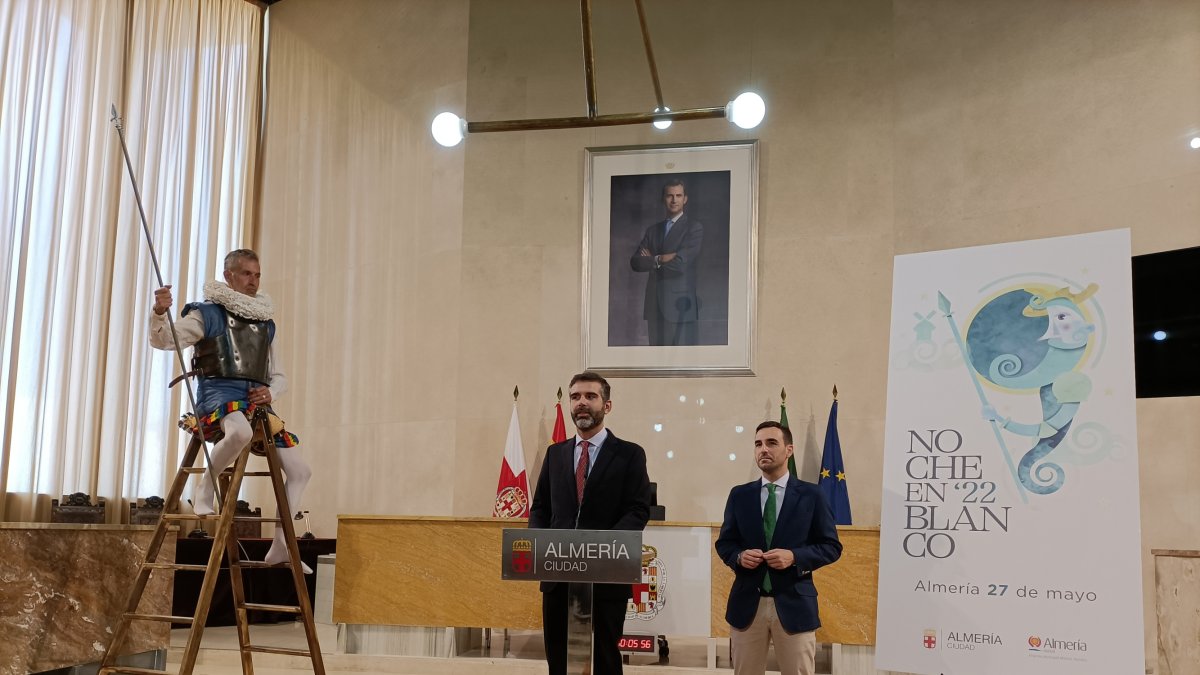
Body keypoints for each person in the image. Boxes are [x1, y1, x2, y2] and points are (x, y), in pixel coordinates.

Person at [149, 249, 312, 571]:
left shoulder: (266, 324)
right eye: (246, 273)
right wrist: (159, 312)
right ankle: (205, 489)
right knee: (239, 432)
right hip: (218, 394)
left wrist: (271, 391)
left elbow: (279, 375)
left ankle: (281, 546)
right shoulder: (207, 314)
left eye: (257, 274)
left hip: (256, 401)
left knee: (300, 471)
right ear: (229, 276)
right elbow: (166, 341)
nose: (253, 281)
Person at [529, 371, 651, 675]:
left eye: (590, 396)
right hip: (558, 576)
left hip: (607, 575)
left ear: (606, 405)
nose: (581, 402)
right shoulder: (555, 454)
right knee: (558, 657)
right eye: (575, 397)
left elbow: (638, 509)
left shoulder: (630, 454)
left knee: (605, 657)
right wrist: (539, 544)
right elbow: (541, 507)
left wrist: (601, 548)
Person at [715, 421, 843, 675]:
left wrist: (795, 556)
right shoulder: (739, 495)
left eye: (772, 443)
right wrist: (739, 556)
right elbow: (725, 543)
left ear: (789, 450)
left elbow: (831, 546)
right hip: (747, 606)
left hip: (795, 604)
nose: (763, 449)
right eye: (758, 444)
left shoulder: (812, 495)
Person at [629, 178, 704, 346]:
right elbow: (635, 262)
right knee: (656, 359)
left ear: (685, 199)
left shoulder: (694, 228)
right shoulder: (652, 231)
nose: (674, 200)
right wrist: (660, 258)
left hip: (680, 307)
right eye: (670, 195)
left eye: (678, 195)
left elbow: (680, 265)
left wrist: (651, 260)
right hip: (654, 306)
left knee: (681, 359)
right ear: (663, 199)